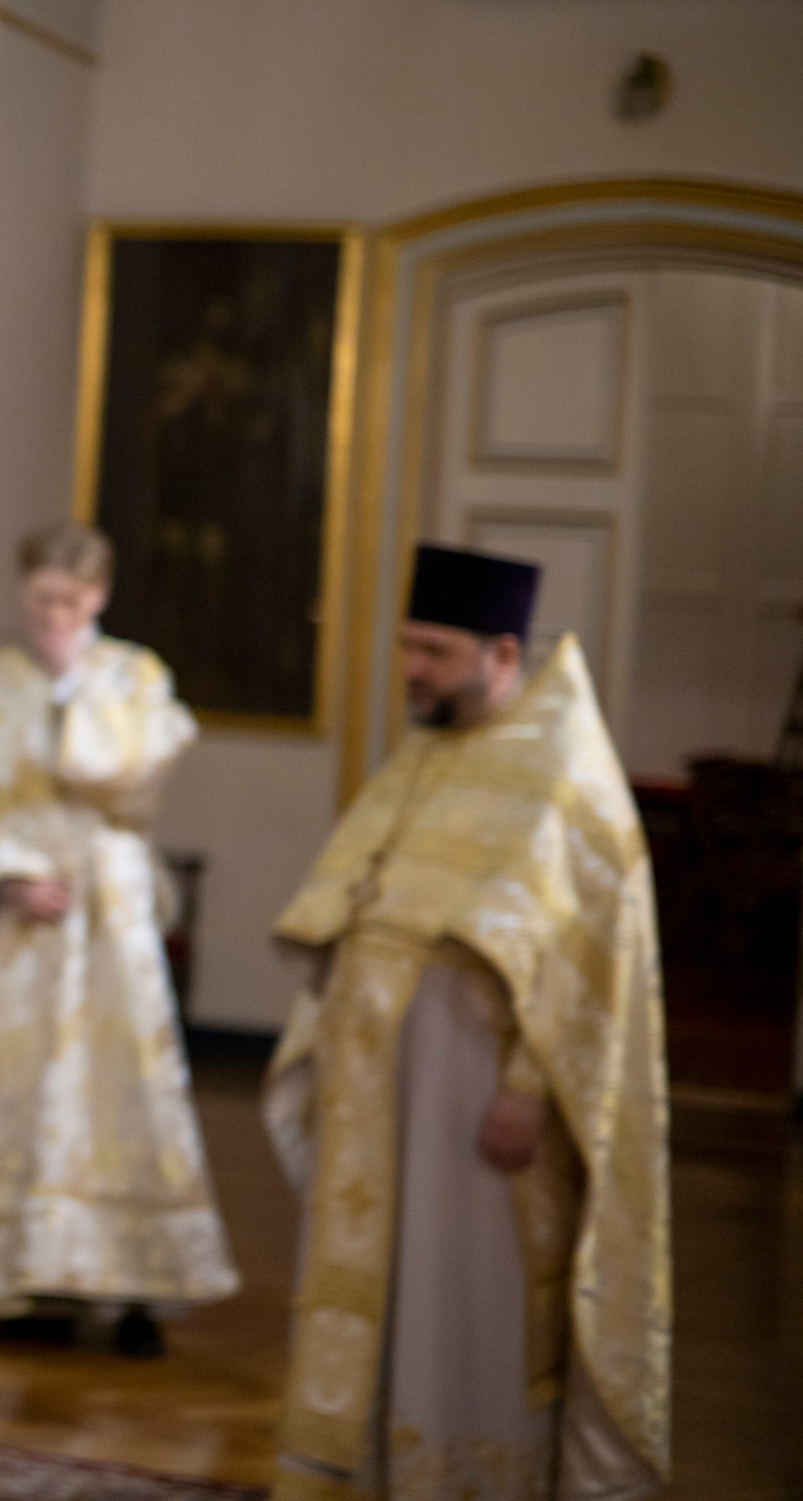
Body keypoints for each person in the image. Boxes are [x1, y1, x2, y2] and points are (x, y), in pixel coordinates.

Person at [266, 545, 668, 1500]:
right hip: (377, 1092)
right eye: (407, 646)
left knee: (466, 1302)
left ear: (500, 653)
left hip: (479, 1095)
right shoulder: (428, 753)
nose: (411, 669)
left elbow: (589, 955)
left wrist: (529, 1086)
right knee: (381, 1293)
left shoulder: (565, 772)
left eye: (433, 652)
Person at [0, 521, 237, 1359]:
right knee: (13, 1083)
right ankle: (22, 1277)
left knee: (123, 1079)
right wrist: (11, 875)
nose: (55, 615)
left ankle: (135, 1280)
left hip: (108, 903)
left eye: (71, 601)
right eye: (42, 601)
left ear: (98, 598)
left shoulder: (135, 678)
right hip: (22, 915)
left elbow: (132, 780)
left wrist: (74, 686)